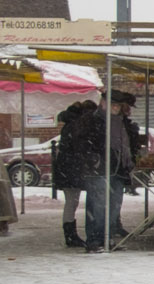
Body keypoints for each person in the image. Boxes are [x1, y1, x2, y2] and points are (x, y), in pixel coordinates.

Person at [69, 91, 137, 253]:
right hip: (98, 170)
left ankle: (107, 238)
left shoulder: (120, 122)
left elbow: (125, 144)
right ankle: (94, 240)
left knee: (114, 206)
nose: (115, 107)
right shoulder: (92, 120)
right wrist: (93, 158)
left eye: (118, 105)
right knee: (98, 206)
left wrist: (128, 160)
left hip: (118, 169)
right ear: (103, 102)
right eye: (112, 104)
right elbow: (80, 143)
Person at [53, 101, 96, 248]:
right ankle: (70, 236)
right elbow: (79, 148)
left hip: (66, 168)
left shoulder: (70, 124)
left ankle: (70, 234)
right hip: (71, 169)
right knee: (72, 202)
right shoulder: (77, 126)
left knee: (71, 202)